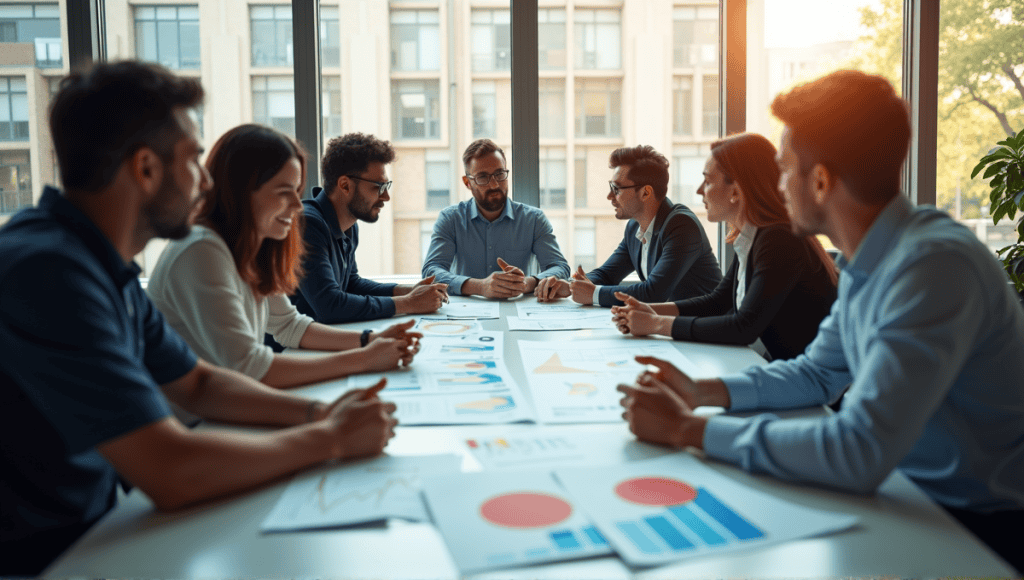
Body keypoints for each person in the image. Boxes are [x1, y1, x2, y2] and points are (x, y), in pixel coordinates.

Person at [0, 61, 398, 577]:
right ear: (146, 168)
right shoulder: (49, 272)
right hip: (47, 558)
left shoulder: (96, 261)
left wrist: (319, 415)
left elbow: (199, 383)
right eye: (193, 159)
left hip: (96, 530)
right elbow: (170, 470)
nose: (207, 180)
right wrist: (333, 439)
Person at [618, 70, 1024, 574]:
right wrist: (701, 392)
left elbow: (860, 449)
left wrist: (687, 430)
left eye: (784, 169)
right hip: (905, 500)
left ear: (821, 180)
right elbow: (817, 373)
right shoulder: (871, 258)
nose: (777, 184)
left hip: (972, 531)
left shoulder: (931, 269)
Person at [147, 124, 421, 389]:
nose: (295, 205)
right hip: (194, 423)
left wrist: (372, 339)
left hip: (229, 408)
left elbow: (289, 325)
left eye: (297, 191)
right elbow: (249, 367)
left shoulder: (254, 245)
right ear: (242, 192)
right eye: (283, 192)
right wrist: (364, 358)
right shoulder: (201, 250)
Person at [610, 134, 838, 361]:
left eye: (708, 181)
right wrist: (649, 310)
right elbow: (718, 302)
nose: (700, 191)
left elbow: (743, 327)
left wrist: (657, 324)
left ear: (736, 191)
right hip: (776, 366)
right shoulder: (753, 236)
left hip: (809, 384)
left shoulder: (778, 240)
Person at [535, 145, 722, 306]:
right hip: (668, 330)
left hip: (704, 333)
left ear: (646, 193)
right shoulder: (635, 227)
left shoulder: (682, 226)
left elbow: (654, 293)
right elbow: (608, 274)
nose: (610, 196)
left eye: (616, 189)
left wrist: (593, 294)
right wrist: (569, 286)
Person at [292, 133, 449, 323]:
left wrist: (409, 290)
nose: (386, 197)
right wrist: (408, 303)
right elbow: (329, 305)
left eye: (386, 186)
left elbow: (351, 284)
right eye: (378, 187)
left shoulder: (348, 225)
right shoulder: (307, 225)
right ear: (345, 185)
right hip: (289, 350)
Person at [422, 138, 571, 298]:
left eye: (500, 174)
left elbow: (560, 267)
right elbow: (431, 271)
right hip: (466, 316)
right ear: (467, 183)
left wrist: (527, 282)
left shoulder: (533, 219)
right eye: (483, 177)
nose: (494, 185)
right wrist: (479, 286)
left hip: (521, 314)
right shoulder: (451, 219)